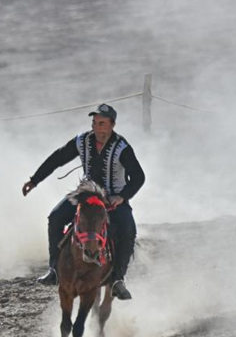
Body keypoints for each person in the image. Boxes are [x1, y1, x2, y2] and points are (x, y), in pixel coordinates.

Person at [22, 103, 145, 300]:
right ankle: (54, 269)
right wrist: (35, 180)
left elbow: (138, 177)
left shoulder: (122, 147)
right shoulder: (82, 140)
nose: (97, 128)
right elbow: (58, 158)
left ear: (112, 124)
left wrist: (122, 197)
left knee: (128, 228)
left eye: (102, 123)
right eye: (94, 123)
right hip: (86, 195)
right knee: (55, 217)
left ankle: (117, 279)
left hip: (113, 199)